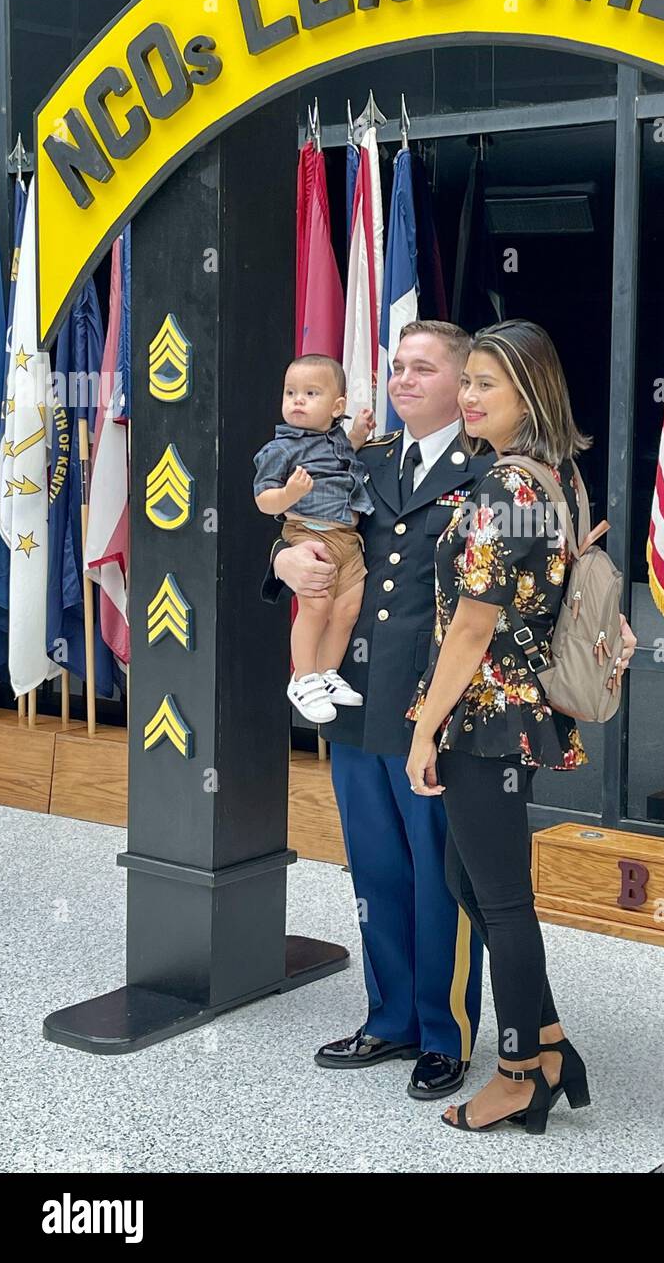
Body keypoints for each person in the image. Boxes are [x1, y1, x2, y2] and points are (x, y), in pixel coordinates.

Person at [405, 320, 629, 1135]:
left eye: (484, 385)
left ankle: (515, 1075)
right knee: (476, 885)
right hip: (514, 709)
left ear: (528, 394)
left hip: (485, 714)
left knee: (499, 899)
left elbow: (471, 626)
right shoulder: (553, 476)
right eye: (465, 382)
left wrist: (422, 730)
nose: (467, 397)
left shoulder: (506, 489)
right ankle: (550, 1044)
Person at [262, 322, 490, 1101]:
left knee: (440, 876)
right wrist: (282, 559)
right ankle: (388, 1016)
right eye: (396, 367)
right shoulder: (364, 458)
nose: (403, 380)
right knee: (376, 869)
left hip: (441, 707)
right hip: (359, 702)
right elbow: (313, 534)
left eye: (423, 368)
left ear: (464, 383)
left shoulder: (493, 468)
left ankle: (442, 1031)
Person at [254, 355, 374, 724]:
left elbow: (342, 462)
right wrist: (289, 494)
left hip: (348, 540)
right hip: (309, 534)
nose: (297, 401)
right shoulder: (280, 449)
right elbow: (263, 500)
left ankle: (327, 673)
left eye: (310, 393)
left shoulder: (334, 438)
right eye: (291, 392)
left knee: (346, 610)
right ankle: (303, 677)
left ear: (338, 407)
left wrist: (356, 437)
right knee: (316, 608)